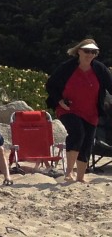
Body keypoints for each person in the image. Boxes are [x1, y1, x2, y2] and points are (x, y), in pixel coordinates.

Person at [45, 38, 112, 184]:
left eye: (94, 52)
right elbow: (50, 85)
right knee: (77, 133)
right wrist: (60, 101)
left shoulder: (100, 69)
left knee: (87, 142)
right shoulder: (67, 67)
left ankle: (80, 177)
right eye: (87, 51)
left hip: (91, 112)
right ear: (79, 51)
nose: (90, 54)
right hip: (68, 109)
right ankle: (69, 172)